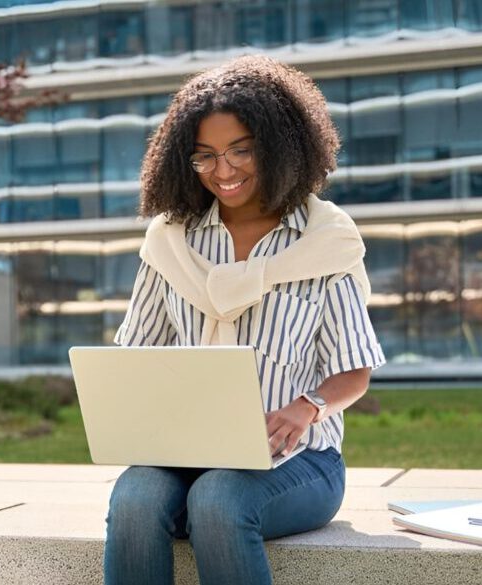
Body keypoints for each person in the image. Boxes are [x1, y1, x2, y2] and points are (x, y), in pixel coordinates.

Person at [104, 55, 386, 584]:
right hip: (185, 452)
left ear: (278, 146)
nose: (224, 170)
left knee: (218, 498)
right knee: (135, 499)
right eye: (205, 156)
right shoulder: (171, 242)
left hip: (299, 462)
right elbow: (136, 357)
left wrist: (307, 408)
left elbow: (354, 370)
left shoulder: (325, 241)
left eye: (240, 150)